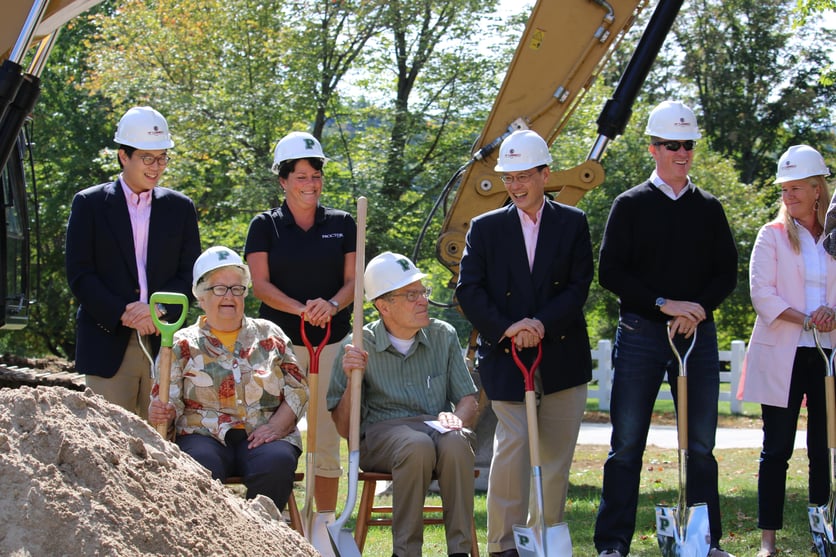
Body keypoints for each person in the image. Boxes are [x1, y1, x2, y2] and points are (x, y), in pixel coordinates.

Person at [593, 100, 738, 557]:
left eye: (688, 145)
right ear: (653, 149)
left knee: (700, 445)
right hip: (640, 335)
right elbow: (611, 272)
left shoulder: (709, 208)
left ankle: (705, 541)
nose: (683, 153)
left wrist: (695, 309)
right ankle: (613, 543)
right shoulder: (630, 204)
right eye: (673, 145)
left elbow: (727, 272)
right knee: (627, 443)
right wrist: (663, 304)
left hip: (697, 337)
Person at [456, 129, 593, 557]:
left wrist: (541, 323)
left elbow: (578, 285)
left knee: (554, 462)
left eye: (523, 177)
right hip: (507, 357)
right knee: (512, 452)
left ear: (545, 174)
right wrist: (510, 328)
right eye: (508, 178)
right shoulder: (485, 228)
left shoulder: (572, 223)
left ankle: (543, 542)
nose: (514, 186)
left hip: (562, 356)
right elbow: (469, 290)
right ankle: (503, 547)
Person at [244, 130, 355, 553]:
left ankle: (322, 524)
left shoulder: (343, 224)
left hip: (330, 342)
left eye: (316, 176)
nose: (310, 184)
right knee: (277, 428)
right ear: (283, 181)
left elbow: (351, 282)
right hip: (277, 346)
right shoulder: (265, 226)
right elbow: (261, 286)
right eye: (301, 176)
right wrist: (301, 308)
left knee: (326, 436)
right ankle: (273, 521)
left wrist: (330, 304)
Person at [327, 252, 478, 557]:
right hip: (382, 436)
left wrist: (457, 418)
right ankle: (406, 552)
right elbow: (345, 428)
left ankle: (460, 552)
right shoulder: (356, 344)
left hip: (434, 428)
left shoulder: (443, 335)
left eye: (423, 291)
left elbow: (468, 399)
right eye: (411, 294)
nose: (423, 300)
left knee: (456, 443)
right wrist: (351, 379)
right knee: (416, 444)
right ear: (383, 306)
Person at [65, 106, 201, 420]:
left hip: (162, 340)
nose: (157, 168)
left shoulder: (180, 208)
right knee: (109, 445)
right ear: (123, 156)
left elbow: (189, 273)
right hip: (107, 340)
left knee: (161, 446)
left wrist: (158, 310)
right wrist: (125, 312)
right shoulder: (90, 204)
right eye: (147, 158)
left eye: (163, 158)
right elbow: (80, 273)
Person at [148, 246, 307, 513]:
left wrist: (278, 427)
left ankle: (262, 538)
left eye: (237, 288)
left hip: (263, 433)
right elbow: (168, 399)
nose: (229, 296)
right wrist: (160, 411)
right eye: (218, 289)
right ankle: (212, 539)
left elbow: (298, 388)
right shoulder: (180, 343)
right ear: (200, 296)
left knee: (276, 461)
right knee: (199, 464)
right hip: (202, 435)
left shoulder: (270, 334)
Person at [738, 145, 835, 557]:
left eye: (797, 188)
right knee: (775, 449)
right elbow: (763, 295)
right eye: (784, 189)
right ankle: (768, 542)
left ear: (818, 189)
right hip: (785, 353)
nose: (788, 196)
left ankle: (823, 535)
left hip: (829, 355)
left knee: (825, 449)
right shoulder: (771, 235)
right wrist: (808, 318)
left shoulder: (835, 237)